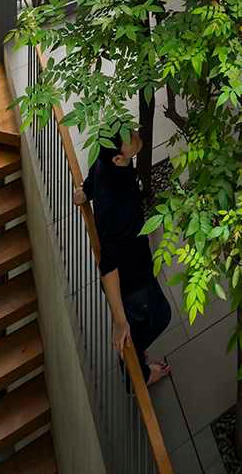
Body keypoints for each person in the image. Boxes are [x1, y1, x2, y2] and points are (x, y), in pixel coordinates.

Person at [74, 130, 172, 386]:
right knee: (160, 316)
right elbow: (108, 264)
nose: (135, 134)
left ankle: (133, 345)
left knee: (146, 316)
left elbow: (96, 170)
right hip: (133, 277)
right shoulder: (120, 207)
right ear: (119, 158)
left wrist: (85, 192)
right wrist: (119, 321)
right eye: (129, 137)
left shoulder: (108, 161)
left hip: (135, 261)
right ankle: (135, 370)